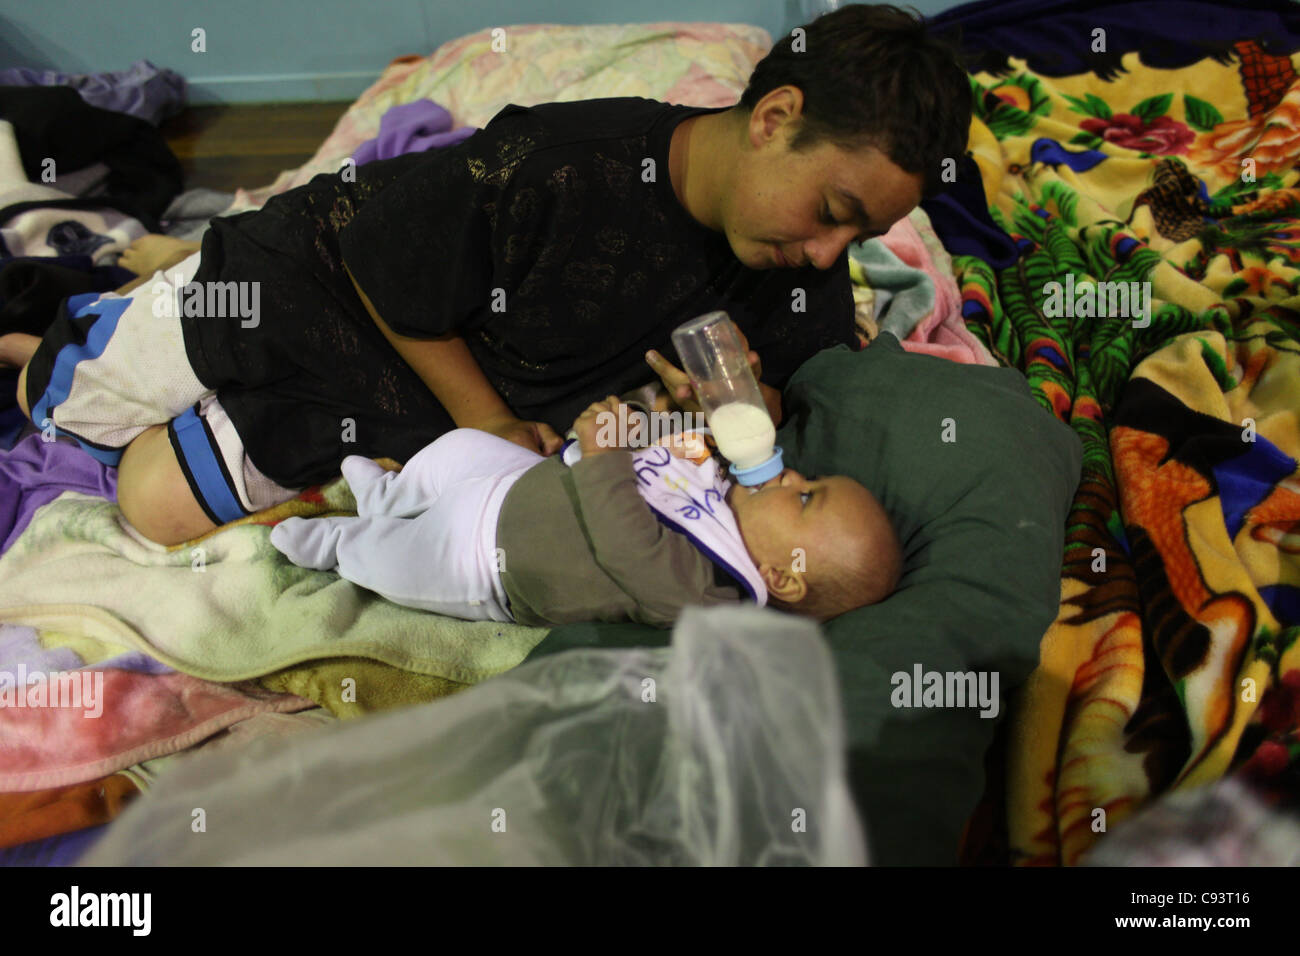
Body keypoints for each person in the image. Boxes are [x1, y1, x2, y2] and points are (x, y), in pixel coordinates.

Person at [4, 4, 971, 547]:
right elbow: (384, 264)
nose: (829, 255)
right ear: (774, 118)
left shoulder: (793, 285)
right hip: (312, 280)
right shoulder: (561, 162)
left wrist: (729, 409)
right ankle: (75, 310)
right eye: (834, 214)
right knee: (63, 394)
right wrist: (490, 423)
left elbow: (760, 424)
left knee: (152, 507)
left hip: (390, 403)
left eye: (865, 236)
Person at [269, 397, 903, 626]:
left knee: (396, 561)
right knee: (458, 448)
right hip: (522, 481)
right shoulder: (719, 486)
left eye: (805, 495)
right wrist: (642, 424)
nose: (792, 473)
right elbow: (657, 459)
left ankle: (340, 544)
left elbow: (630, 548)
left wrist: (603, 458)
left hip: (485, 563)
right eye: (810, 476)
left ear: (784, 575)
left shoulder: (713, 591)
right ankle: (391, 495)